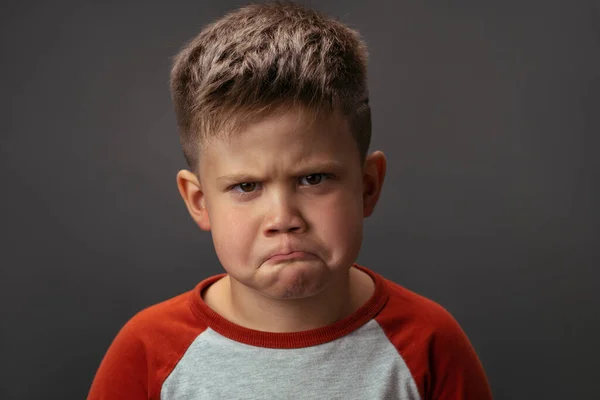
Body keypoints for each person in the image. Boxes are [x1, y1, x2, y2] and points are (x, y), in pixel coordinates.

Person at [88, 2, 493, 399]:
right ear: (199, 201)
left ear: (368, 186)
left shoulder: (429, 344)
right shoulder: (148, 351)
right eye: (246, 187)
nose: (283, 218)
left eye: (313, 179)